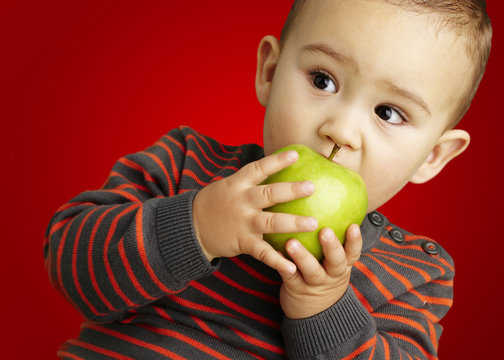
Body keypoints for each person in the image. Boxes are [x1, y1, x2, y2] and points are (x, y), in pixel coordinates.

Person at [45, 0, 492, 359]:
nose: (340, 130)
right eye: (323, 80)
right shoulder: (185, 164)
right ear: (270, 73)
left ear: (432, 156)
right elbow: (69, 264)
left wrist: (324, 307)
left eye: (388, 113)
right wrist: (197, 227)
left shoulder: (416, 276)